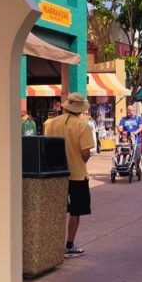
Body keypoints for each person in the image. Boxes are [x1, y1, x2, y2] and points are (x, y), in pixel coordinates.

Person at [44, 93, 95, 259]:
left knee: (56, 209)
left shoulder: (49, 124)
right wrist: (82, 160)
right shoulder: (83, 126)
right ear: (80, 109)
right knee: (75, 211)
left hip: (55, 173)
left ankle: (51, 244)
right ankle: (69, 245)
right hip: (77, 175)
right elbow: (85, 153)